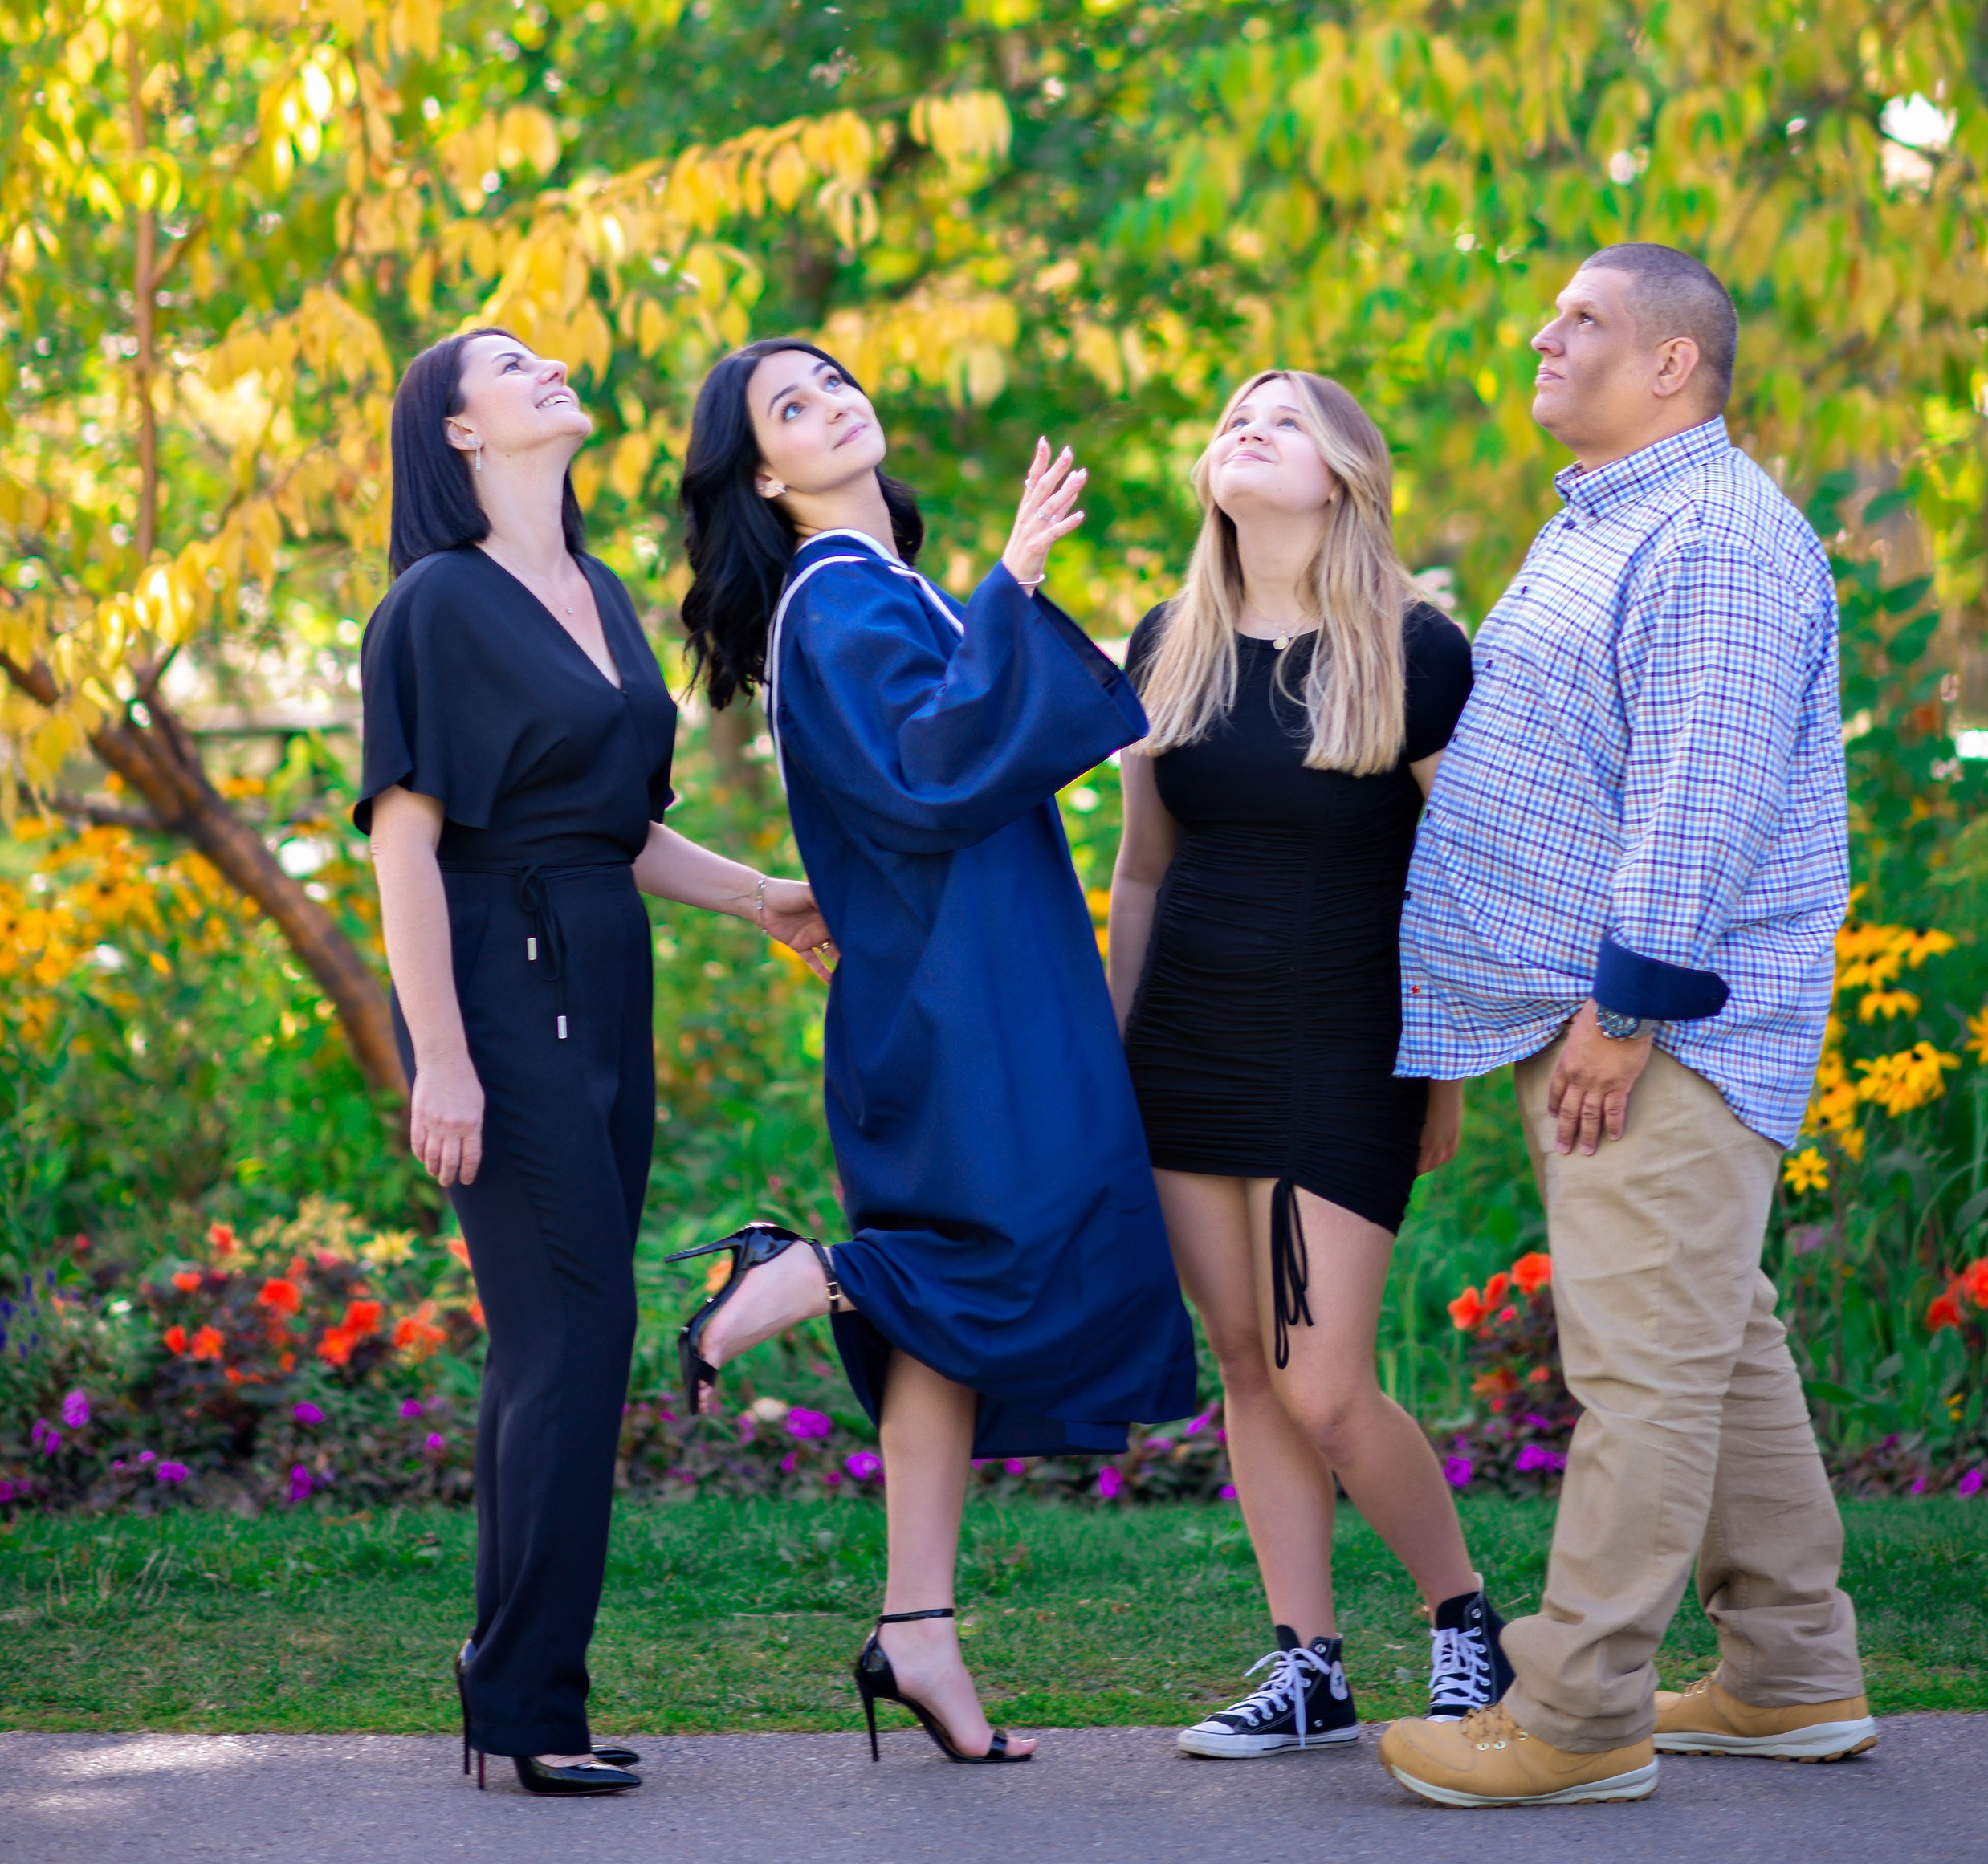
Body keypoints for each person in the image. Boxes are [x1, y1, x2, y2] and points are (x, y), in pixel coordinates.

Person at [1377, 243, 1872, 1810]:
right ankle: (1789, 1673)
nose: (1544, 333)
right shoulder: (1610, 521)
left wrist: (1624, 1004)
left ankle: (1575, 1708)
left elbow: (1701, 796)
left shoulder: (1714, 533)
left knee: (1641, 1370)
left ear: (1671, 364)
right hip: (1601, 1010)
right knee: (1713, 1347)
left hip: (1656, 1027)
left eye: (1581, 318)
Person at [673, 338, 1196, 1766]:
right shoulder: (836, 599)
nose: (833, 403)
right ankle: (806, 1272)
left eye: (836, 382)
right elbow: (931, 771)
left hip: (952, 973)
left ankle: (917, 1631)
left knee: (946, 1323)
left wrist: (990, 597)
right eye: (793, 406)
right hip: (967, 996)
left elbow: (927, 761)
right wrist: (1014, 582)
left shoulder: (860, 584)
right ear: (766, 478)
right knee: (1015, 1241)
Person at [358, 327, 831, 1797]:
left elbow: (622, 830)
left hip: (601, 970)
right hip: (501, 984)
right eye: (510, 361)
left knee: (553, 1337)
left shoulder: (601, 594)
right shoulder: (432, 608)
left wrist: (760, 897)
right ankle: (525, 1699)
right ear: (452, 430)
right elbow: (405, 842)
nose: (549, 365)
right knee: (574, 1328)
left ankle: (509, 1681)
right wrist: (440, 1054)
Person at [1110, 368, 1513, 1759]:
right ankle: (1309, 1667)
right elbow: (1144, 875)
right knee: (1245, 1358)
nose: (1244, 432)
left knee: (1323, 1379)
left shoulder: (1416, 648)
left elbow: (1461, 880)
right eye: (1230, 417)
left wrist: (1446, 1072)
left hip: (1347, 1040)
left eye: (1280, 421)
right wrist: (1115, 1053)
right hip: (1187, 1043)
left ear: (1341, 473)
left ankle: (1467, 1625)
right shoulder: (1170, 644)